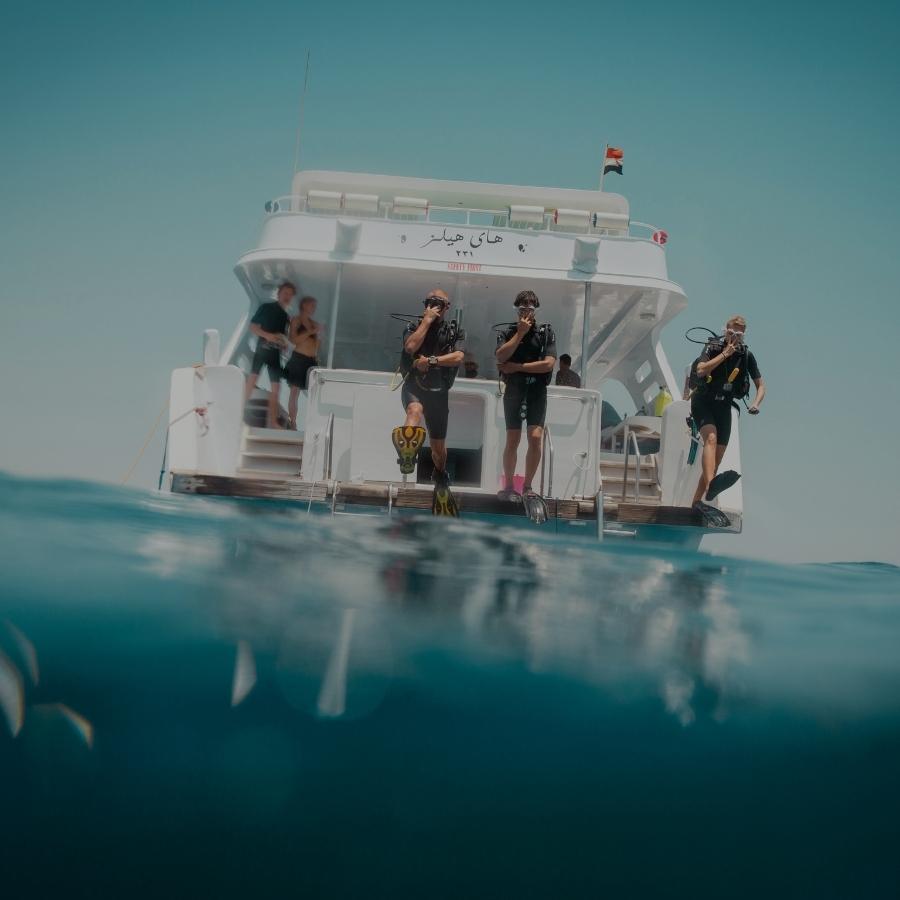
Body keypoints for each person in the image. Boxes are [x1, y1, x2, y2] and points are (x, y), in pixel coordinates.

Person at [392, 288, 465, 516]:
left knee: (438, 450)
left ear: (447, 307)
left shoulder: (455, 332)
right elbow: (410, 348)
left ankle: (440, 474)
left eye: (439, 303)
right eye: (430, 302)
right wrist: (426, 321)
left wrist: (432, 361)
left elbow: (458, 357)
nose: (434, 306)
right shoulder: (413, 327)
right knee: (414, 410)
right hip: (415, 387)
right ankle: (407, 453)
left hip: (439, 393)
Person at [689, 314, 766, 522]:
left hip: (724, 406)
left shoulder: (746, 356)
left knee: (718, 457)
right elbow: (701, 369)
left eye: (739, 334)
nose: (734, 337)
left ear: (744, 335)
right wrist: (725, 354)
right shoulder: (713, 347)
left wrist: (756, 403)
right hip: (703, 402)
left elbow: (761, 385)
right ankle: (711, 483)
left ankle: (697, 501)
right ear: (725, 331)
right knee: (711, 439)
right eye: (731, 332)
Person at [495, 290, 557, 519]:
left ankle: (528, 486)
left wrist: (518, 367)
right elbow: (501, 357)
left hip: (536, 391)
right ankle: (509, 485)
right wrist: (519, 334)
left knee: (535, 437)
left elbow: (548, 364)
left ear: (536, 309)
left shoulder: (546, 333)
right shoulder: (508, 332)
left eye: (531, 308)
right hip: (515, 389)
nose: (527, 311)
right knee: (513, 439)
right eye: (523, 308)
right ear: (517, 309)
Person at [245, 281, 294, 429]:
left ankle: (273, 421)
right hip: (262, 350)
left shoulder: (286, 316)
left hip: (275, 354)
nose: (287, 297)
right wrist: (267, 336)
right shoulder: (266, 308)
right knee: (252, 380)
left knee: (277, 388)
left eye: (290, 295)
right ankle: (239, 411)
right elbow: (253, 327)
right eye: (285, 293)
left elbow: (282, 337)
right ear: (279, 293)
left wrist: (285, 344)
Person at [284, 295, 323, 430]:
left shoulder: (314, 323)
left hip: (311, 360)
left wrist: (319, 335)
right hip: (299, 358)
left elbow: (317, 346)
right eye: (312, 305)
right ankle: (293, 421)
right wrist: (310, 332)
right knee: (295, 392)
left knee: (316, 392)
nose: (314, 308)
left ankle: (314, 423)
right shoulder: (296, 320)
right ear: (304, 305)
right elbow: (293, 340)